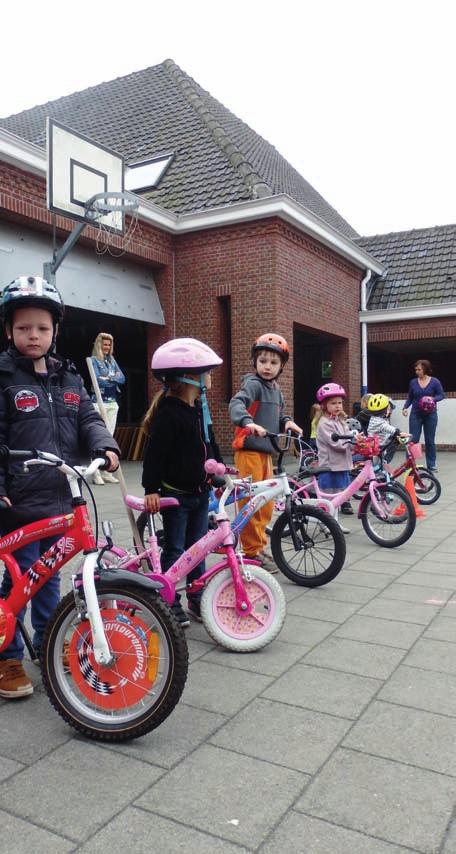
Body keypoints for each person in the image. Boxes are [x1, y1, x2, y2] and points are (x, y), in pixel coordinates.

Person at [0, 275, 120, 699]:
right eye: (23, 328)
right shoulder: (3, 377)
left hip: (59, 496)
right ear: (9, 330)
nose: (33, 336)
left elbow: (88, 417)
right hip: (17, 500)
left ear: (55, 331)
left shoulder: (69, 378)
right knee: (19, 581)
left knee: (49, 578)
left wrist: (104, 445)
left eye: (42, 328)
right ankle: (8, 656)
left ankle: (50, 641)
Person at [142, 337, 223, 626]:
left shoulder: (200, 409)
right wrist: (151, 489)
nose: (211, 377)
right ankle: (168, 600)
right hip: (176, 496)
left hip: (200, 494)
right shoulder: (169, 415)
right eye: (208, 373)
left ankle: (196, 597)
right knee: (176, 550)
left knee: (198, 549)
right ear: (191, 377)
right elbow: (154, 456)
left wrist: (219, 473)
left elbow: (210, 444)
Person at [229, 333, 302, 570]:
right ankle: (251, 551)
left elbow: (279, 414)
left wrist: (288, 422)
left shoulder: (276, 390)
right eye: (262, 361)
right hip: (249, 452)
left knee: (266, 504)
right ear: (255, 362)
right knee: (251, 502)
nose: (267, 367)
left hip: (266, 454)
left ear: (281, 366)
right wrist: (247, 422)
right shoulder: (253, 385)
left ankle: (257, 547)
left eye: (273, 362)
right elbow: (237, 403)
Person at [315, 383, 355, 533]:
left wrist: (356, 441)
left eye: (339, 402)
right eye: (333, 403)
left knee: (338, 497)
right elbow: (336, 443)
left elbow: (348, 439)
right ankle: (325, 522)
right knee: (330, 497)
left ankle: (334, 523)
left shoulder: (340, 421)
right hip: (330, 466)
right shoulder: (324, 424)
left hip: (341, 464)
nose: (338, 406)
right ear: (324, 405)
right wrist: (351, 441)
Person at [90, 332, 125, 484]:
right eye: (105, 344)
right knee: (98, 437)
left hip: (112, 402)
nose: (107, 347)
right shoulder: (93, 360)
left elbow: (122, 378)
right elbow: (98, 381)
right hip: (98, 402)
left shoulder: (112, 360)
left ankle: (106, 471)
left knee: (109, 438)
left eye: (109, 344)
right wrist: (113, 379)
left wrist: (109, 378)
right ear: (99, 344)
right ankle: (96, 472)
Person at [402, 359, 444, 471]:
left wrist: (433, 399)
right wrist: (405, 407)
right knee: (413, 440)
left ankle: (431, 465)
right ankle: (410, 464)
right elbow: (410, 397)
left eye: (419, 369)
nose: (417, 371)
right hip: (416, 414)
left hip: (430, 414)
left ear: (425, 369)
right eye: (416, 369)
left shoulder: (435, 382)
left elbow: (441, 395)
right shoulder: (413, 382)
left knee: (429, 440)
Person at [367, 394, 408, 463]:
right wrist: (400, 432)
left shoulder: (374, 418)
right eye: (389, 409)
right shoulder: (379, 422)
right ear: (384, 410)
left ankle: (383, 463)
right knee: (395, 440)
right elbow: (390, 429)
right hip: (378, 447)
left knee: (395, 438)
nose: (390, 411)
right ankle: (385, 461)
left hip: (376, 444)